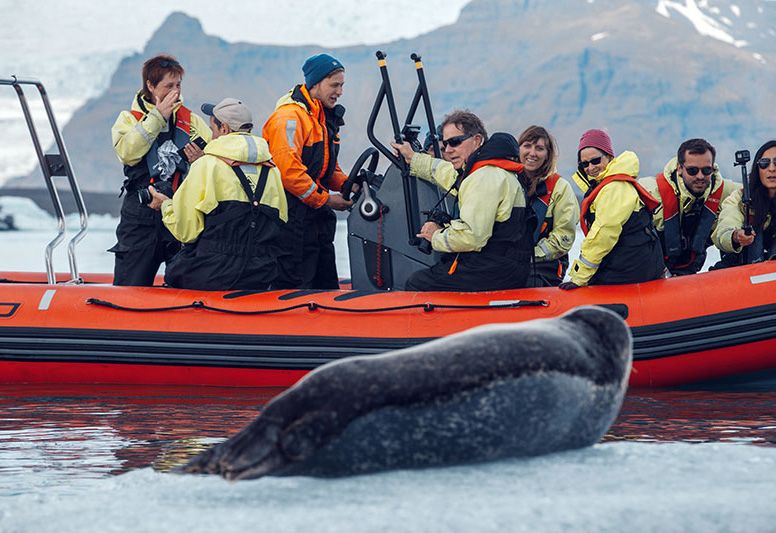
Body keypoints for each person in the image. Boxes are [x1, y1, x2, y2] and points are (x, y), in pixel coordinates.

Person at [147, 98, 287, 290]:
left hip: (213, 272)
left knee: (174, 270)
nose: (211, 136)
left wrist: (164, 205)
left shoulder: (207, 165)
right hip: (261, 273)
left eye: (213, 129)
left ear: (224, 129)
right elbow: (280, 222)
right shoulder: (273, 171)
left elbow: (186, 232)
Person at [392, 110, 534, 291]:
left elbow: (471, 237)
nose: (449, 150)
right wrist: (412, 157)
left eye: (455, 142)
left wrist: (434, 235)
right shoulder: (483, 170)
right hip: (504, 266)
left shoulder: (483, 177)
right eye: (445, 144)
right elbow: (443, 171)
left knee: (416, 283)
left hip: (493, 271)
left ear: (476, 140)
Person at [109, 54, 211, 286]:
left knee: (185, 285)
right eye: (168, 86)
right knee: (130, 284)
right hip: (140, 215)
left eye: (178, 85)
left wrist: (200, 160)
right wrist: (157, 117)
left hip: (179, 212)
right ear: (151, 86)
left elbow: (212, 159)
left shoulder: (191, 120)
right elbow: (127, 152)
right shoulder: (128, 119)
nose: (175, 92)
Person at [262, 53, 353, 289]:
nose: (340, 91)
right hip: (291, 218)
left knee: (324, 280)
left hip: (314, 218)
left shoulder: (322, 117)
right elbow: (289, 171)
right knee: (296, 281)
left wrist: (347, 185)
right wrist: (326, 200)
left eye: (342, 85)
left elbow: (328, 166)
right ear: (316, 83)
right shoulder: (290, 118)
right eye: (335, 85)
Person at [561, 129, 665, 289]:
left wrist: (579, 277)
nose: (590, 167)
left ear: (609, 157)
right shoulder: (609, 185)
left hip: (629, 273)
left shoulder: (615, 188)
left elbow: (603, 235)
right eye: (585, 164)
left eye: (596, 161)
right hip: (631, 268)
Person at [640, 138, 737, 276]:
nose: (700, 176)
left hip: (690, 274)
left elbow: (756, 191)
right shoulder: (649, 191)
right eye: (692, 170)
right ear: (680, 168)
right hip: (652, 274)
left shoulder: (726, 192)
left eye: (706, 170)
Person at [516, 125, 579, 287]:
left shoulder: (560, 188)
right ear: (518, 149)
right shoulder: (508, 182)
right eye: (527, 146)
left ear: (547, 155)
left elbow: (563, 238)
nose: (532, 153)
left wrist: (531, 256)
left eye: (539, 148)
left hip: (545, 265)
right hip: (511, 261)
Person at [712, 140, 776, 265]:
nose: (772, 169)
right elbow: (723, 231)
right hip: (744, 270)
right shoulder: (739, 198)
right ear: (757, 169)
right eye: (764, 163)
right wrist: (736, 236)